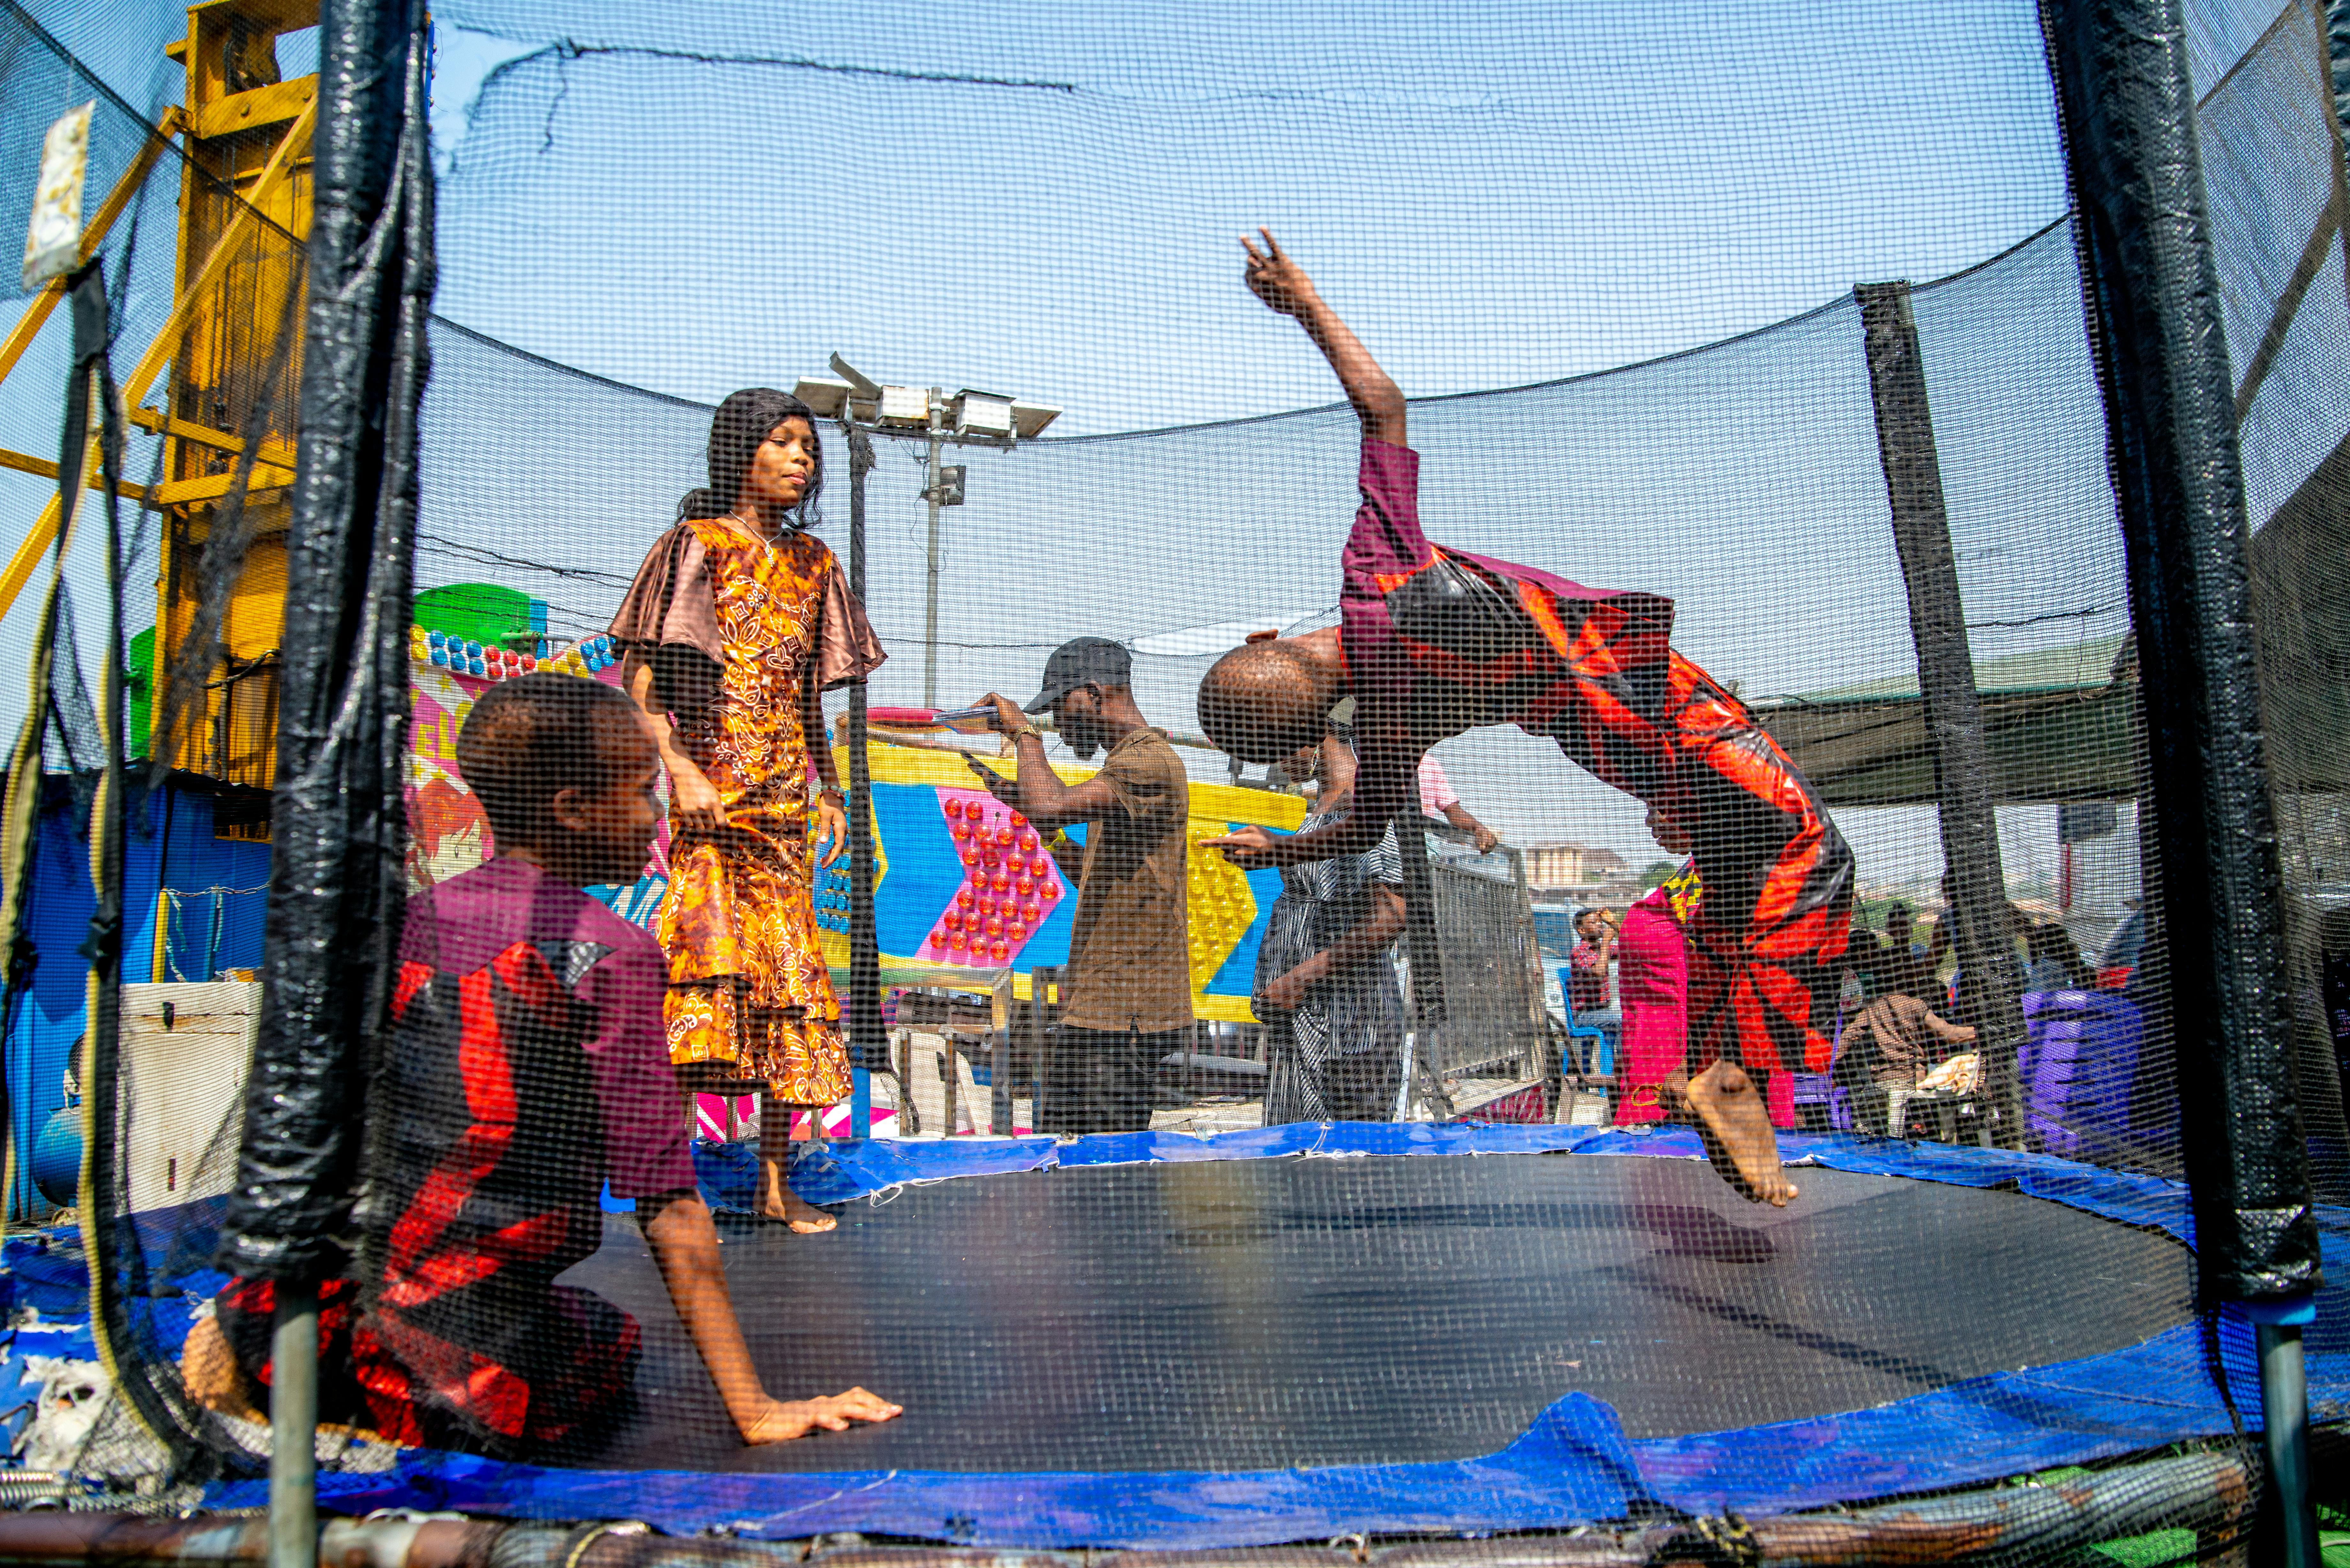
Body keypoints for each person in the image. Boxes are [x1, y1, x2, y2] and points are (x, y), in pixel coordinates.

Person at [1198, 232, 1851, 1206]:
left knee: (1734, 880)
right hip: (1658, 711)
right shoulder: (1380, 577)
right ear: (1271, 635)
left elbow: (1363, 827)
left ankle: (1714, 1068)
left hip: (1615, 753)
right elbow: (1382, 404)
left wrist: (1278, 849)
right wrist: (1304, 306)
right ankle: (1730, 1080)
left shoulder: (1387, 723)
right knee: (1810, 849)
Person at [181, 676, 900, 1453]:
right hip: (452, 1360)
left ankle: (271, 1365)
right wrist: (754, 1407)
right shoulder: (608, 954)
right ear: (571, 808)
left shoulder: (405, 922)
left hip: (295, 1311)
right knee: (602, 1350)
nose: (659, 813)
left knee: (578, 1321)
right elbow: (667, 1200)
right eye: (641, 790)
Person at [609, 388, 885, 1232]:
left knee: (787, 988)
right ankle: (672, 1179)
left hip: (785, 813)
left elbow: (808, 696)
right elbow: (642, 683)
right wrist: (679, 770)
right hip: (711, 809)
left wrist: (831, 789)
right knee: (704, 982)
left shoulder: (815, 566)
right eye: (783, 443)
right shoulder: (695, 546)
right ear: (742, 453)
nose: (801, 458)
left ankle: (774, 1184)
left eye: (809, 446)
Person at [967, 637, 1192, 1135]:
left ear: (1091, 693)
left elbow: (1050, 801)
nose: (1058, 725)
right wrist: (1042, 825)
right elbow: (1087, 873)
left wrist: (1026, 736)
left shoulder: (1147, 762)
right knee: (1062, 1158)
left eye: (1060, 709)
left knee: (1107, 1176)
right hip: (1099, 1008)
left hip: (1124, 1013)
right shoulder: (1122, 769)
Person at [1255, 723, 1409, 1123]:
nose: (1276, 759)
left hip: (1350, 1026)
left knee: (1347, 1162)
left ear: (1315, 734)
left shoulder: (1361, 804)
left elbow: (1391, 917)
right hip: (1308, 1017)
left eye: (1279, 744)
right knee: (1295, 1153)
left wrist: (1300, 978)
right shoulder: (1323, 804)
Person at [1613, 811, 1703, 1126]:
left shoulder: (1735, 847)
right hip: (1659, 948)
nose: (1650, 822)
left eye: (1659, 808)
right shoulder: (1716, 852)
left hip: (1662, 946)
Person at [1834, 987, 1978, 1137]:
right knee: (1902, 1135)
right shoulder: (1915, 1005)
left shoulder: (1873, 1008)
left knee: (1867, 1129)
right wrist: (1980, 1031)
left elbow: (1848, 1037)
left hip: (1880, 1080)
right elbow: (1949, 1034)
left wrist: (1830, 1065)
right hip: (1909, 1079)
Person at [1566, 908, 1622, 1065]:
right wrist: (1605, 942)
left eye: (1600, 922)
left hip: (1603, 1011)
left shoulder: (1601, 949)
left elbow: (1633, 945)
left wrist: (1613, 923)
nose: (1599, 925)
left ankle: (1618, 1066)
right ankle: (1621, 1066)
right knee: (1622, 1019)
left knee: (1630, 1016)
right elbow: (1597, 973)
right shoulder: (1578, 952)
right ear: (1582, 930)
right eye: (1593, 922)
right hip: (1584, 1015)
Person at [1417, 753, 1499, 852]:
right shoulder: (1393, 758)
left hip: (1423, 843)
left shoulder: (1429, 764)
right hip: (1393, 843)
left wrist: (1479, 828)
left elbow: (1453, 811)